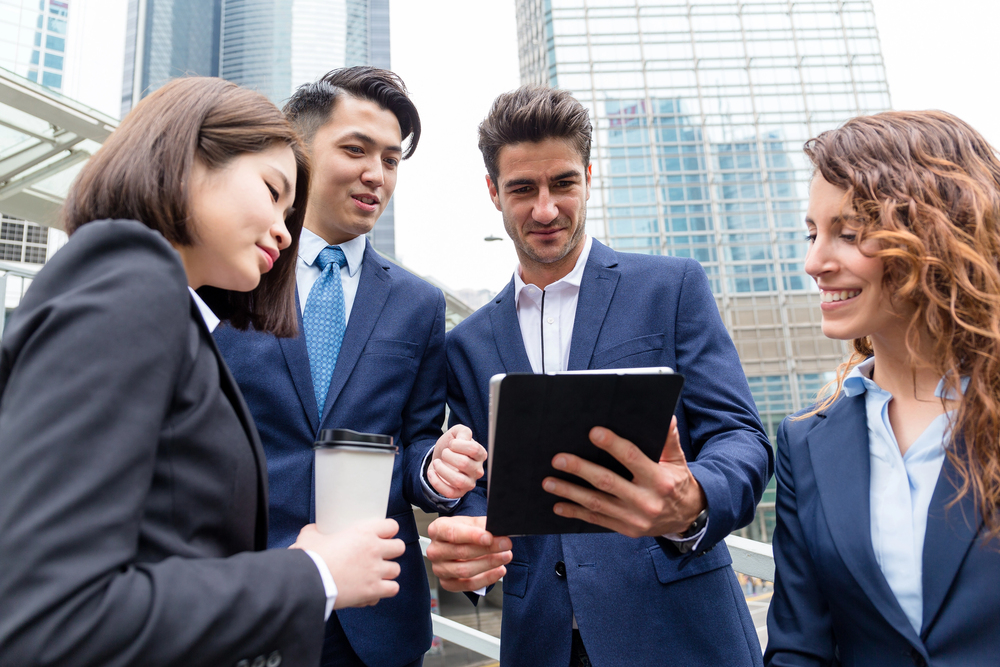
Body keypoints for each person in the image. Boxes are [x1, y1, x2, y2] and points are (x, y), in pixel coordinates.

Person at [0, 77, 410, 666]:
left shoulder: (161, 304)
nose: (284, 229)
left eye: (290, 211)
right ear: (188, 159)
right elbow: (52, 612)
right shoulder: (130, 288)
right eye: (272, 191)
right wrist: (312, 574)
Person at [426, 86, 774, 667]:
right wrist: (469, 535)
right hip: (542, 643)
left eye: (563, 183)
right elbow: (478, 488)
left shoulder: (671, 288)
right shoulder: (466, 344)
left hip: (679, 632)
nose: (545, 210)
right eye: (522, 189)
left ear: (589, 177)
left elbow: (742, 436)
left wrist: (693, 497)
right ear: (493, 192)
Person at [214, 67, 487, 667]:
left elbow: (415, 440)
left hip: (377, 615)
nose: (376, 174)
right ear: (298, 151)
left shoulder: (418, 303)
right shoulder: (232, 274)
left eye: (391, 160)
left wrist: (435, 467)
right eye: (356, 150)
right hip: (250, 600)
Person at [764, 111, 1000, 666]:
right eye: (812, 233)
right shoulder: (805, 443)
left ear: (938, 237)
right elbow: (799, 650)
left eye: (848, 234)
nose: (814, 262)